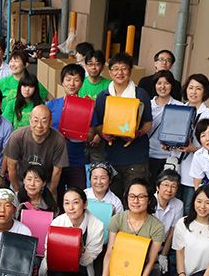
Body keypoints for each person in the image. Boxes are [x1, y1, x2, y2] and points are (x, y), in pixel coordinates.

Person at [88, 53, 154, 198]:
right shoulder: (103, 96)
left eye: (124, 68)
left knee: (136, 197)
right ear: (110, 72)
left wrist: (138, 133)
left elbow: (148, 122)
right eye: (116, 69)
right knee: (112, 199)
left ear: (130, 71)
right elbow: (97, 124)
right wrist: (104, 134)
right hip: (111, 156)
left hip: (136, 157)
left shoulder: (140, 94)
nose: (120, 72)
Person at [101, 179, 165, 276]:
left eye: (141, 197)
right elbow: (110, 252)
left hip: (143, 272)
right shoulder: (117, 219)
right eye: (132, 196)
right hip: (119, 267)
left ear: (149, 199)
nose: (136, 201)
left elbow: (151, 260)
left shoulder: (157, 226)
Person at [40, 187, 104, 276]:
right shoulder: (57, 223)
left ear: (85, 204)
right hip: (58, 268)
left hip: (81, 269)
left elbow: (89, 257)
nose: (71, 208)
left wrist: (78, 249)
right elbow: (48, 251)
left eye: (75, 202)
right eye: (67, 203)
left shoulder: (97, 225)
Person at [172, 74, 209, 210]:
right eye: (190, 88)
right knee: (173, 207)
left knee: (188, 209)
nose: (193, 92)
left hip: (194, 172)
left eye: (198, 88)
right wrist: (167, 143)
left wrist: (194, 149)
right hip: (174, 167)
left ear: (205, 92)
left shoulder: (208, 115)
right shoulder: (178, 109)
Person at [4, 105, 68, 196]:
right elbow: (11, 167)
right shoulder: (17, 136)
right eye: (36, 120)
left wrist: (50, 194)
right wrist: (17, 190)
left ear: (50, 122)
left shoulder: (58, 140)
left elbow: (57, 171)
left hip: (46, 181)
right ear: (30, 120)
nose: (39, 125)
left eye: (44, 121)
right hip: (21, 179)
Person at [46, 64, 88, 198]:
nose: (72, 84)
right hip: (54, 160)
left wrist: (81, 132)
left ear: (82, 83)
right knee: (54, 197)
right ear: (62, 82)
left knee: (78, 197)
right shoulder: (51, 105)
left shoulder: (87, 106)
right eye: (68, 79)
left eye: (76, 80)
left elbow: (92, 133)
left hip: (76, 160)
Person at [148, 70, 184, 182]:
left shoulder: (180, 107)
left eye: (166, 83)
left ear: (172, 85)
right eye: (159, 83)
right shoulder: (147, 105)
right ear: (154, 85)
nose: (162, 87)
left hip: (169, 158)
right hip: (147, 156)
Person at [154, 170, 184, 276]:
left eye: (173, 186)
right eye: (166, 185)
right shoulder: (149, 201)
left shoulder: (178, 204)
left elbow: (172, 232)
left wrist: (163, 255)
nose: (169, 190)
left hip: (165, 245)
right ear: (157, 187)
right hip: (147, 244)